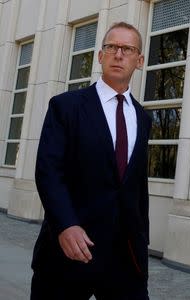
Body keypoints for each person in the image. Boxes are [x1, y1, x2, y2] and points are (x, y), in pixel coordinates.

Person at [31, 22, 151, 300]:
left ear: (140, 60)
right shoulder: (66, 106)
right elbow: (49, 171)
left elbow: (136, 188)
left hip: (125, 259)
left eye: (127, 49)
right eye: (111, 47)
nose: (118, 54)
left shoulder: (143, 119)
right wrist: (65, 224)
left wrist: (142, 244)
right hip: (70, 250)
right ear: (100, 56)